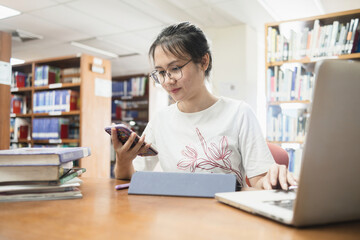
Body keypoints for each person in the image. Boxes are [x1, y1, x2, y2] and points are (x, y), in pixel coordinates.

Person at [111, 22, 297, 190]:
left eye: (175, 68)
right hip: (177, 216)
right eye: (160, 72)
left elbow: (259, 181)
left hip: (225, 218)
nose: (167, 81)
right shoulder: (160, 120)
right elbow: (130, 179)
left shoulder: (239, 113)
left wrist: (274, 178)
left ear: (204, 62)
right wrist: (123, 160)